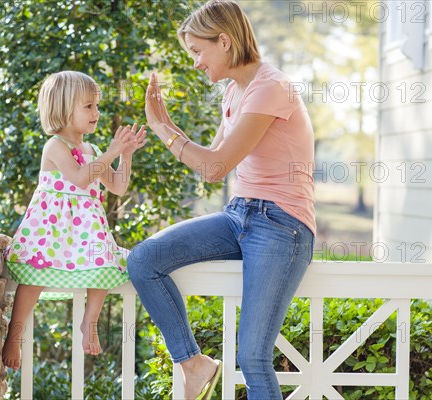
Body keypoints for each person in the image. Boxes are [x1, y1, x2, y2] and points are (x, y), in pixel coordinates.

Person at [127, 1, 316, 399]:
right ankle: (194, 363)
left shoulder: (271, 87)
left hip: (283, 225)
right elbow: (212, 160)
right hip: (237, 216)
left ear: (225, 41)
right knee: (144, 260)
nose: (196, 63)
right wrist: (167, 126)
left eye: (198, 51)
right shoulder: (234, 91)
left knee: (253, 356)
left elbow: (214, 168)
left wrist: (162, 129)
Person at [2, 71, 146, 370]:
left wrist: (125, 155)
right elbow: (81, 178)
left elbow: (117, 186)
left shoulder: (91, 150)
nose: (97, 113)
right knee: (33, 275)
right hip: (50, 227)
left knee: (105, 261)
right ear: (65, 110)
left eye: (97, 105)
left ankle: (89, 322)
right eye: (89, 106)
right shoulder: (55, 146)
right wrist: (111, 152)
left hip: (85, 228)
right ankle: (14, 334)